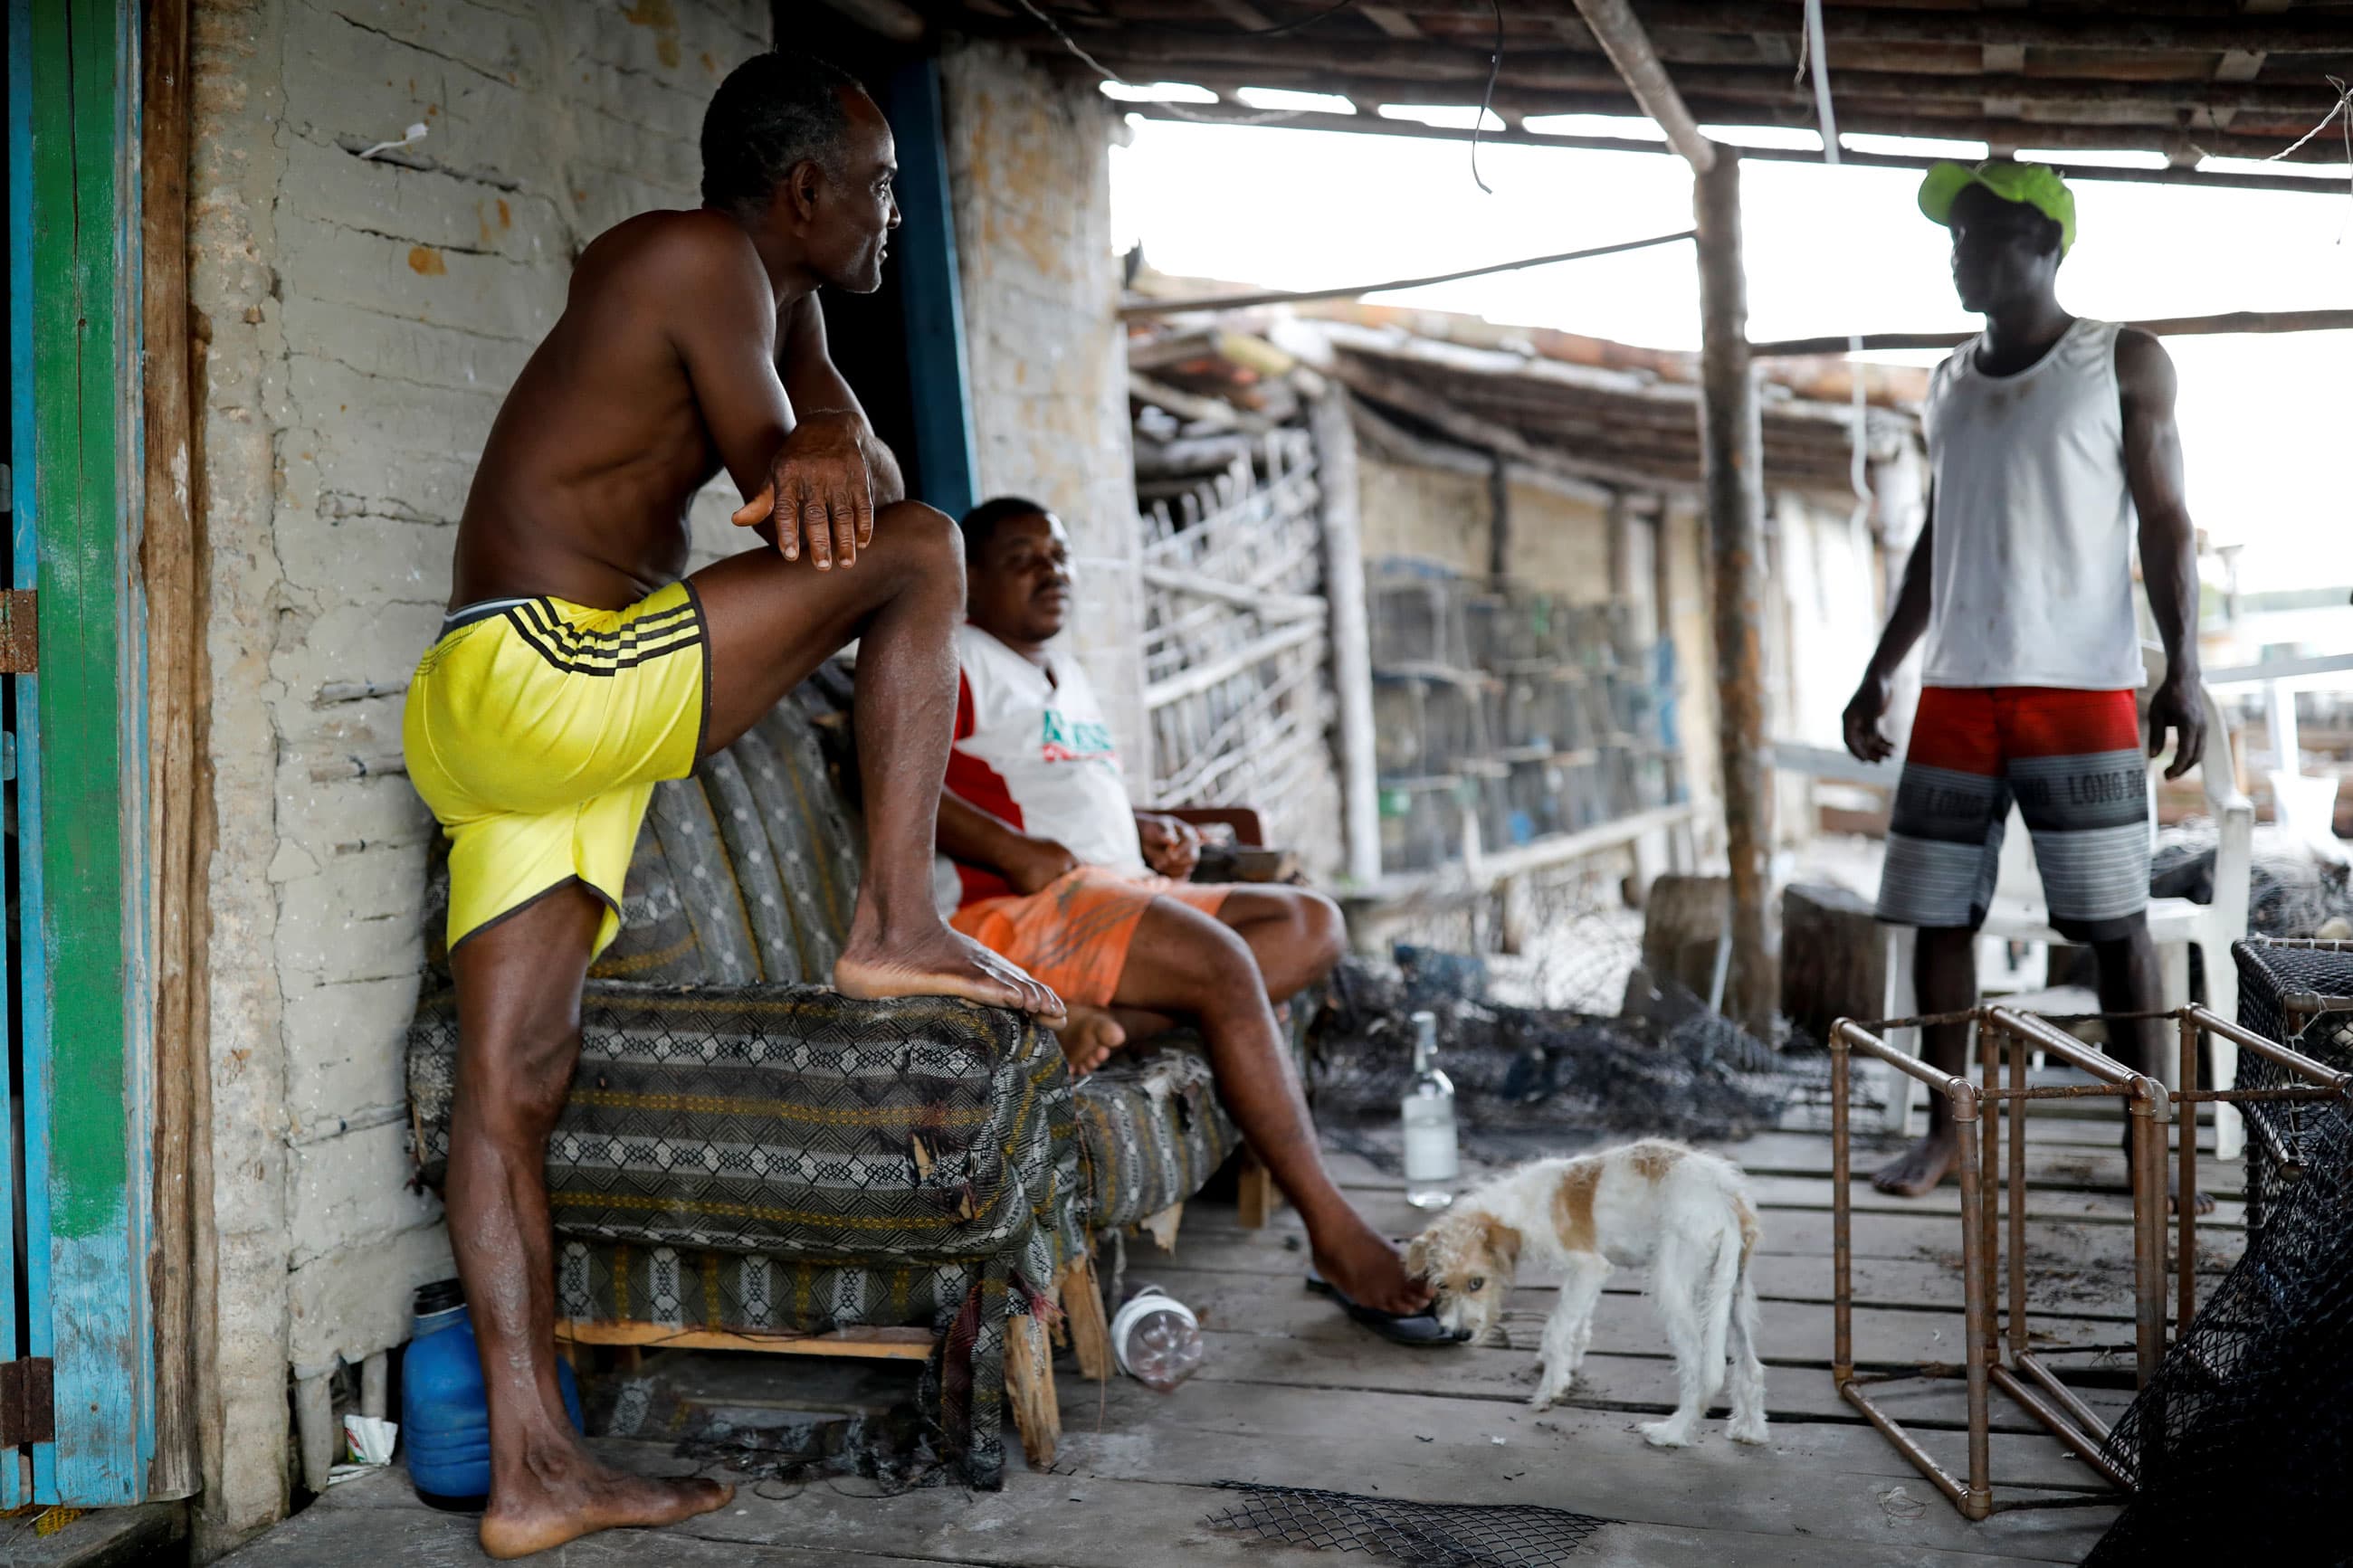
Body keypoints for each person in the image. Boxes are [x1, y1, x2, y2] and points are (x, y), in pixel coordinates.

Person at [400, 54, 1063, 1560]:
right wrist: (817, 441)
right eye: (882, 186)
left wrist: (826, 390)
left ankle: (533, 1473)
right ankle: (896, 922)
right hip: (552, 669)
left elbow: (844, 448)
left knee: (513, 1088)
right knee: (928, 547)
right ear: (802, 191)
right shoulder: (690, 256)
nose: (897, 214)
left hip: (511, 715)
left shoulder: (774, 292)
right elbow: (821, 506)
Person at [936, 497, 1447, 1328]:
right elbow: (880, 770)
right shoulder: (954, 656)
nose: (1051, 572)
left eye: (1059, 555)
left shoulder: (1062, 672)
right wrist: (1007, 847)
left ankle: (1112, 1020)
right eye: (1024, 556)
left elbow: (1068, 790)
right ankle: (1333, 1228)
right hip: (1025, 906)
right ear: (970, 578)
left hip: (1121, 889)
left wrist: (1146, 826)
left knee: (1314, 922)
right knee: (1223, 967)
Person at [1843, 161, 2208, 1205]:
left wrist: (2181, 668)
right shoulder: (1946, 380)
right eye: (1952, 236)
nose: (1955, 253)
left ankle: (2149, 1141)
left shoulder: (2120, 360)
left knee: (2110, 924)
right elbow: (1933, 538)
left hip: (2078, 684)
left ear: (2045, 245)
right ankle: (1946, 1129)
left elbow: (2165, 519)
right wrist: (1880, 671)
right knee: (1936, 916)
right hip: (1958, 686)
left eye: (1978, 234)